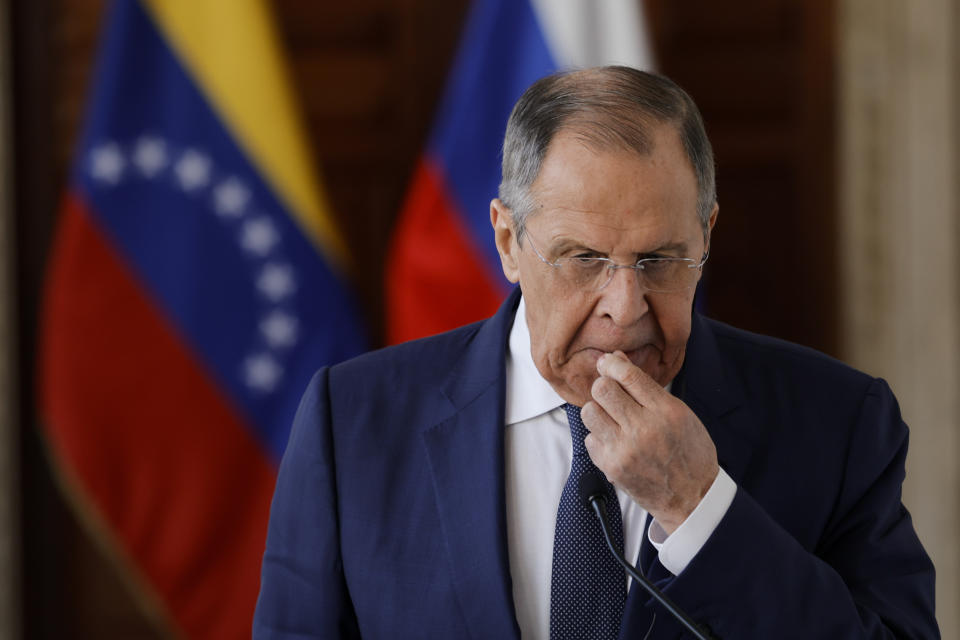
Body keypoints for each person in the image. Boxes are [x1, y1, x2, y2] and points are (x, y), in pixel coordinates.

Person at [253, 67, 938, 639]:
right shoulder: (353, 423)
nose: (624, 306)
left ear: (707, 234)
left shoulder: (840, 423)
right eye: (582, 258)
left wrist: (700, 509)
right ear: (507, 242)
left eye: (661, 258)